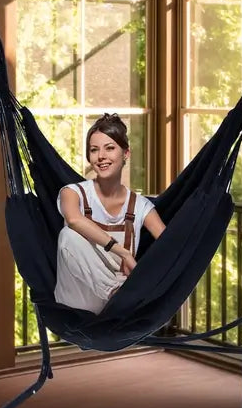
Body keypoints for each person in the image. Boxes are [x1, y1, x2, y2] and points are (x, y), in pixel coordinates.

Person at [55, 113, 166, 314]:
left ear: (126, 153)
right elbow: (73, 219)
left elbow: (170, 245)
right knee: (68, 235)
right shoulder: (72, 193)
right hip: (76, 300)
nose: (101, 156)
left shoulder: (140, 206)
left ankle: (122, 295)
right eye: (94, 150)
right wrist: (123, 253)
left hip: (119, 302)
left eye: (109, 148)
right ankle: (113, 291)